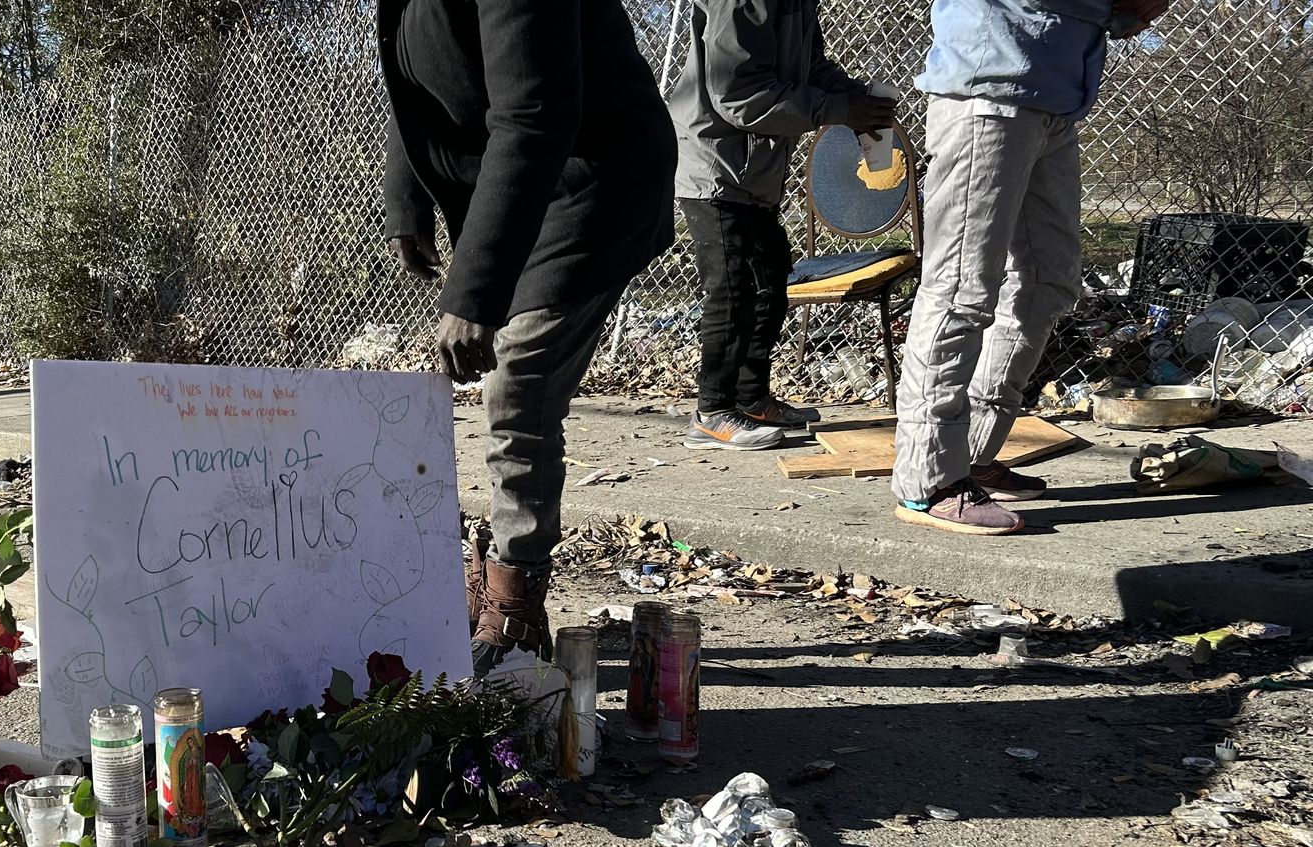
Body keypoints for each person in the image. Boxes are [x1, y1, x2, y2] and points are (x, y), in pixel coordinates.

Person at [380, 0, 678, 675]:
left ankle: (516, 595)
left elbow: (534, 116)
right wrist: (407, 197)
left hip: (594, 180)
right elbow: (411, 85)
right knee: (508, 381)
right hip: (527, 184)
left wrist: (474, 293)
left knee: (520, 380)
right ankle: (489, 576)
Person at [892, 0, 1169, 534]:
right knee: (960, 289)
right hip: (988, 87)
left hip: (1055, 98)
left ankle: (970, 454)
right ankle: (928, 481)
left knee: (1046, 283)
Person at [668, 0, 896, 451]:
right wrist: (838, 110)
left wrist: (856, 99)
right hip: (713, 162)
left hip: (753, 168)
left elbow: (810, 70)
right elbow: (737, 95)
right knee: (732, 289)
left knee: (770, 281)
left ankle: (751, 399)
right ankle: (712, 411)